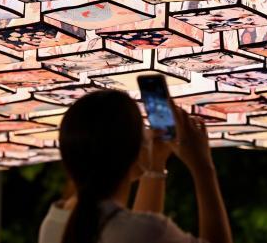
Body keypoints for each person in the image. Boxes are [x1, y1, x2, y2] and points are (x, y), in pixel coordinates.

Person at [38, 89, 232, 243]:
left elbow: (138, 227)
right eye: (142, 127)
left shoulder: (53, 223)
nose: (147, 132)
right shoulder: (145, 231)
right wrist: (202, 167)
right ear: (134, 147)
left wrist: (155, 164)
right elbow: (142, 231)